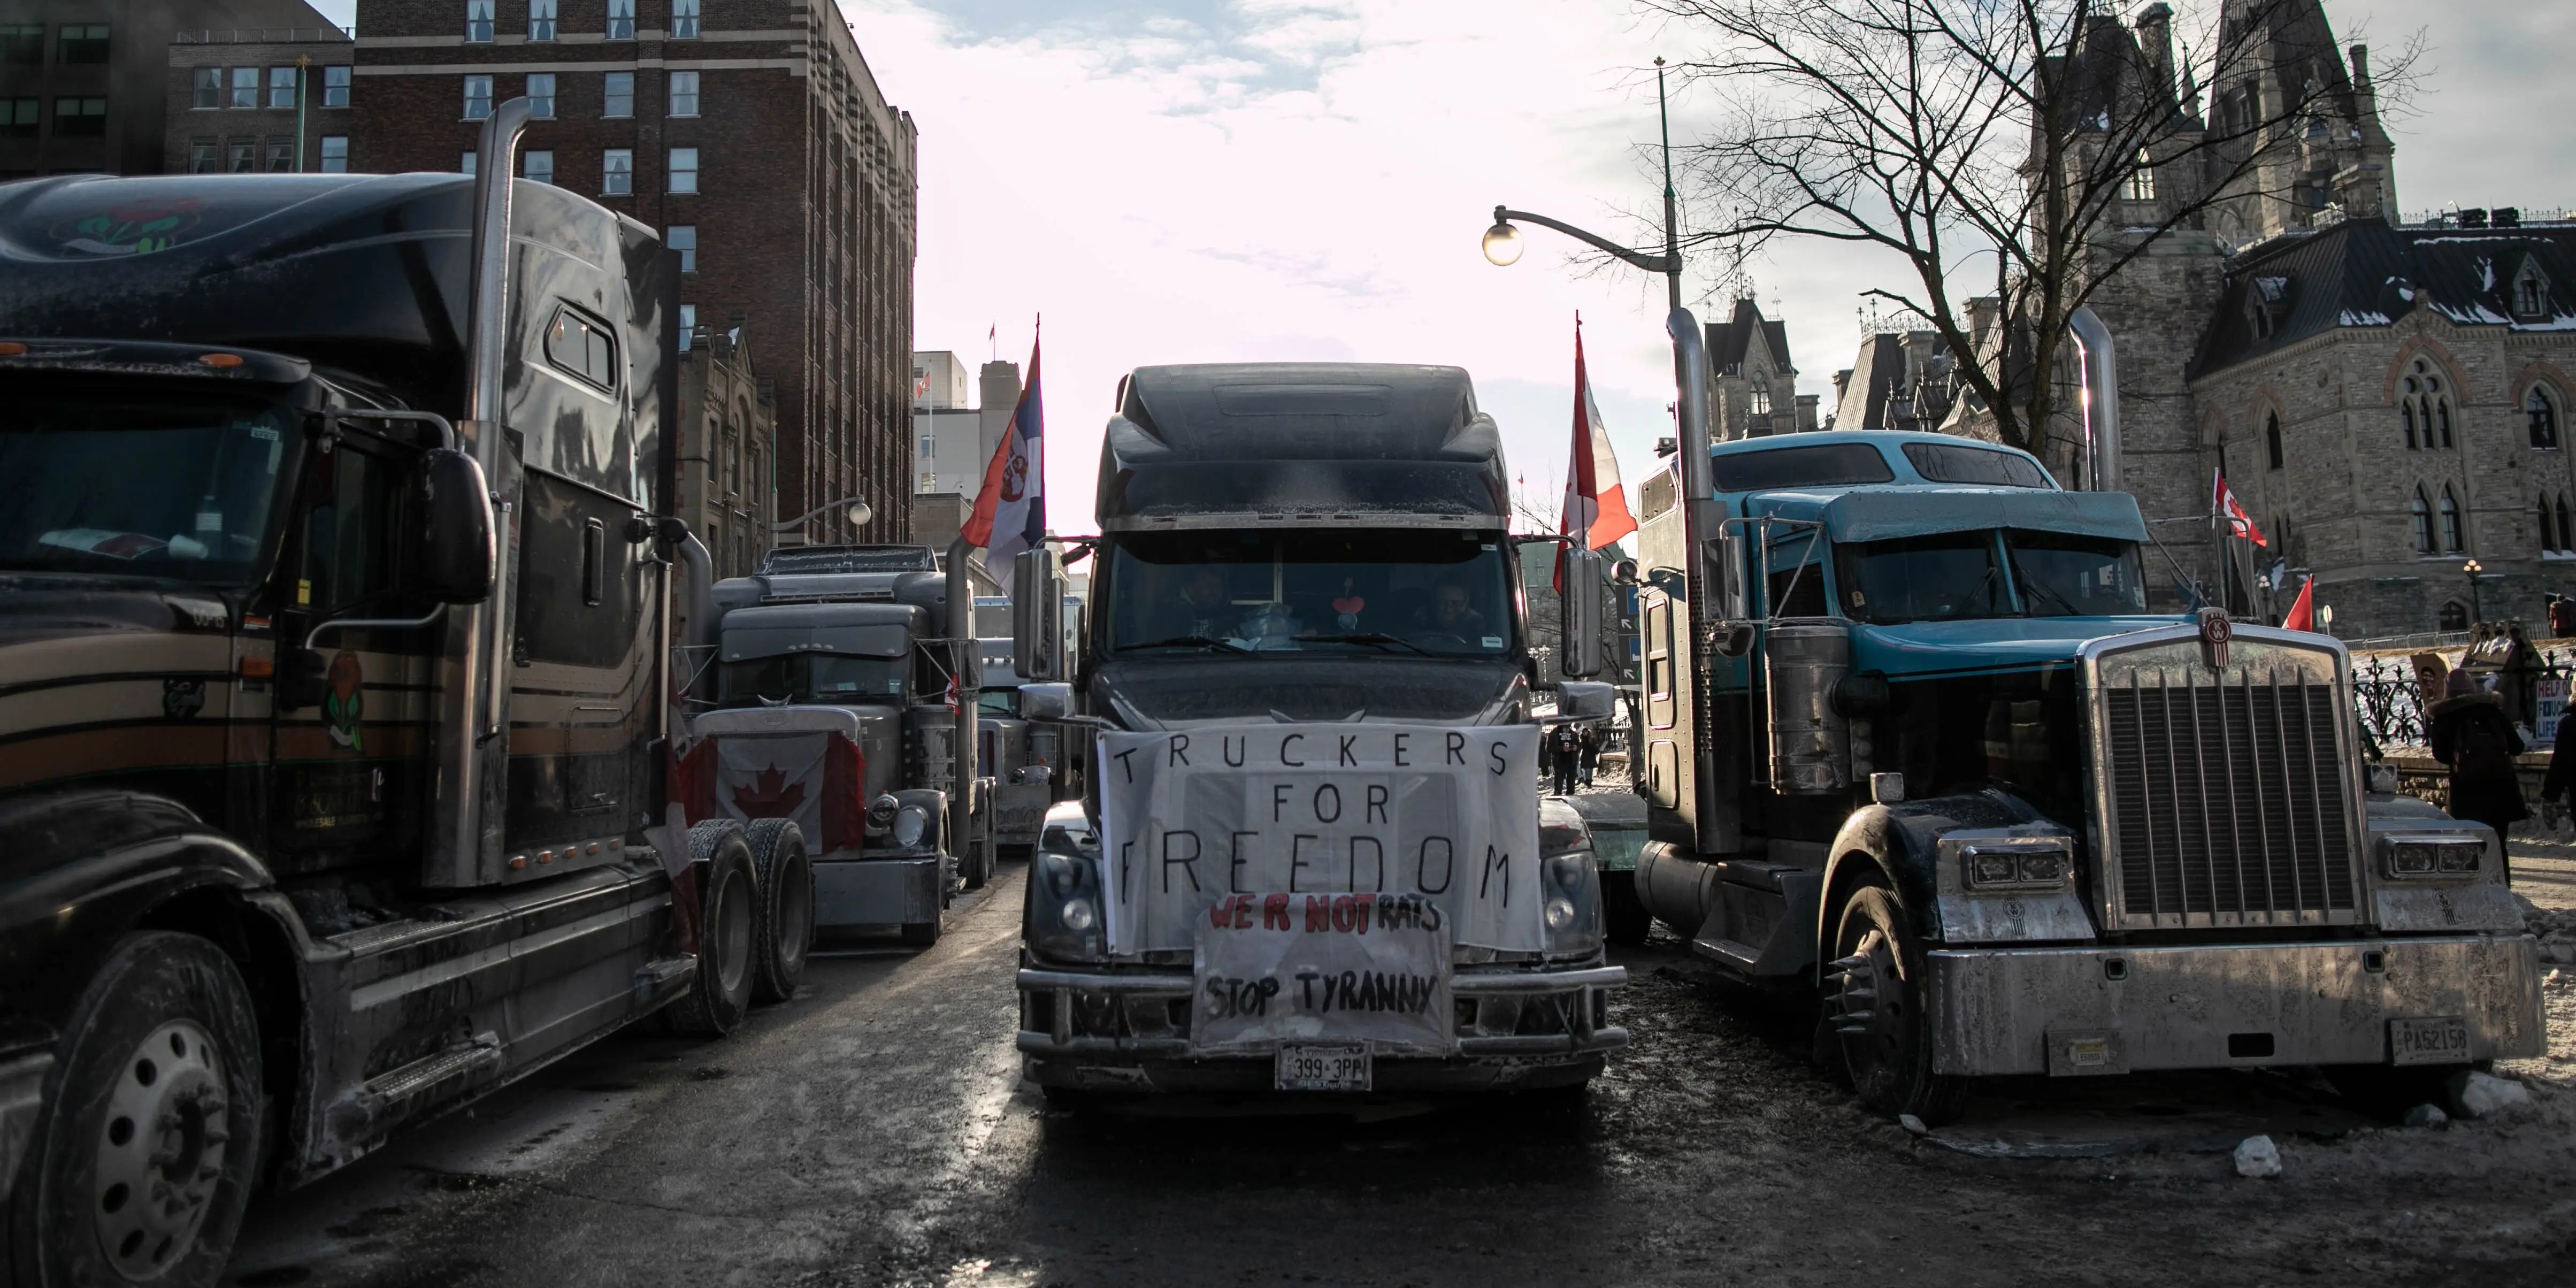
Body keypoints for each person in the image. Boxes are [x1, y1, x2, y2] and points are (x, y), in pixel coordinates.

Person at [2429, 668, 2528, 882]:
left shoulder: (2444, 717)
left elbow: (2440, 754)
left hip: (2466, 793)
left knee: (2469, 845)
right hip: (2501, 790)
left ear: (2448, 691)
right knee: (2499, 843)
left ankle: (2478, 891)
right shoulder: (2492, 711)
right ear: (2473, 688)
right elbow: (2518, 747)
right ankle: (2504, 889)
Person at [1412, 581, 1489, 640]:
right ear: (1433, 601)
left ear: (1466, 602)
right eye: (1442, 603)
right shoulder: (1421, 619)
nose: (1449, 610)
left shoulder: (1476, 624)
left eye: (1456, 603)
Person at [1549, 720, 1582, 795]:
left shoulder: (1573, 734)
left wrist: (1576, 748)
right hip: (1560, 762)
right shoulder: (1554, 733)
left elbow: (1580, 746)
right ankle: (1558, 799)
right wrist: (1562, 749)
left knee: (1571, 786)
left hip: (1572, 762)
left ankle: (1570, 799)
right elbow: (1549, 748)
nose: (1566, 729)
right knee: (1559, 785)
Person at [1578, 723, 1601, 788]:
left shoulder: (1592, 739)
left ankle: (1589, 781)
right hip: (1585, 756)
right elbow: (1582, 747)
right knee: (1587, 770)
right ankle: (1588, 782)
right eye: (1584, 732)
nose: (1585, 733)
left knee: (1591, 769)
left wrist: (1595, 748)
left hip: (1591, 756)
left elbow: (1596, 746)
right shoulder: (1582, 740)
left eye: (1586, 731)